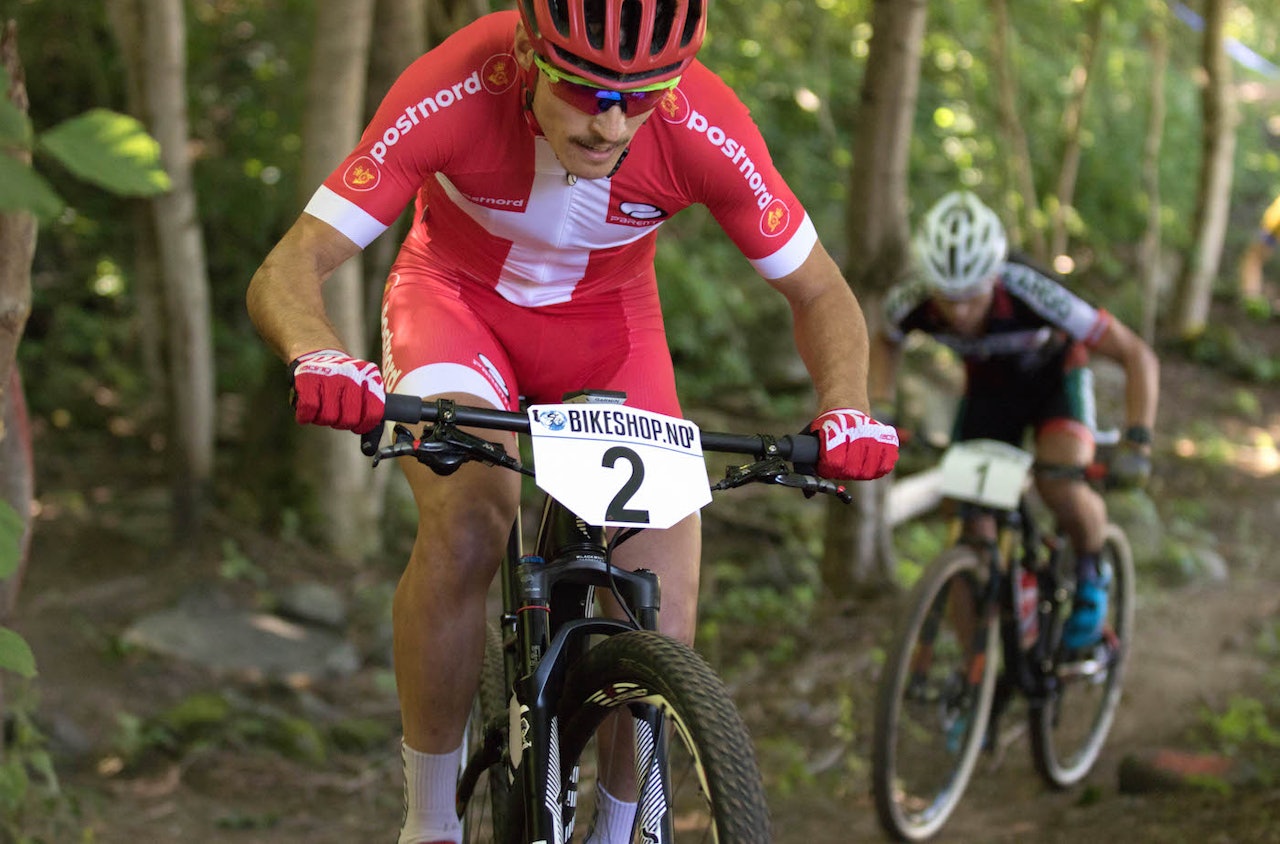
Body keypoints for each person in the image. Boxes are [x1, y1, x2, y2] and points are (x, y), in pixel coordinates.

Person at [246, 3, 899, 843]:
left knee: (662, 600)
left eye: (643, 95)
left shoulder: (702, 122)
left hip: (609, 332)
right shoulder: (457, 84)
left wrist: (847, 405)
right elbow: (292, 263)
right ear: (528, 51)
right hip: (454, 305)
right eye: (586, 88)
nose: (612, 120)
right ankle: (431, 820)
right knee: (472, 519)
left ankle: (623, 825)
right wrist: (319, 354)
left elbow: (821, 290)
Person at [868, 190, 1159, 651]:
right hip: (988, 394)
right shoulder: (912, 299)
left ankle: (1090, 574)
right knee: (966, 520)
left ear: (993, 278)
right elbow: (886, 341)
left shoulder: (1033, 290)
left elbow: (1135, 354)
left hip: (1055, 383)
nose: (960, 312)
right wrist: (879, 406)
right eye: (949, 299)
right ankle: (975, 676)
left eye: (972, 297)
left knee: (1058, 482)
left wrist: (1137, 440)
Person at [1238, 192, 1280, 304]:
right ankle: (1251, 296)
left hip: (1272, 224)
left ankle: (1251, 295)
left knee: (1254, 258)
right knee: (1254, 257)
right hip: (1272, 224)